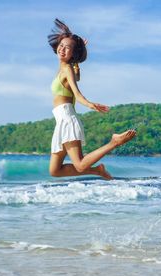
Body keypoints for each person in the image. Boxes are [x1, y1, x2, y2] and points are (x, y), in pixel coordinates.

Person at [48, 19, 136, 180]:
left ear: (72, 53)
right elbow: (77, 77)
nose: (62, 49)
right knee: (55, 171)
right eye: (61, 45)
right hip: (60, 121)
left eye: (67, 48)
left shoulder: (67, 69)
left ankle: (114, 142)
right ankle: (98, 171)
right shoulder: (65, 68)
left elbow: (77, 92)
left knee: (80, 165)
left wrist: (90, 104)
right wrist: (77, 56)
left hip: (67, 119)